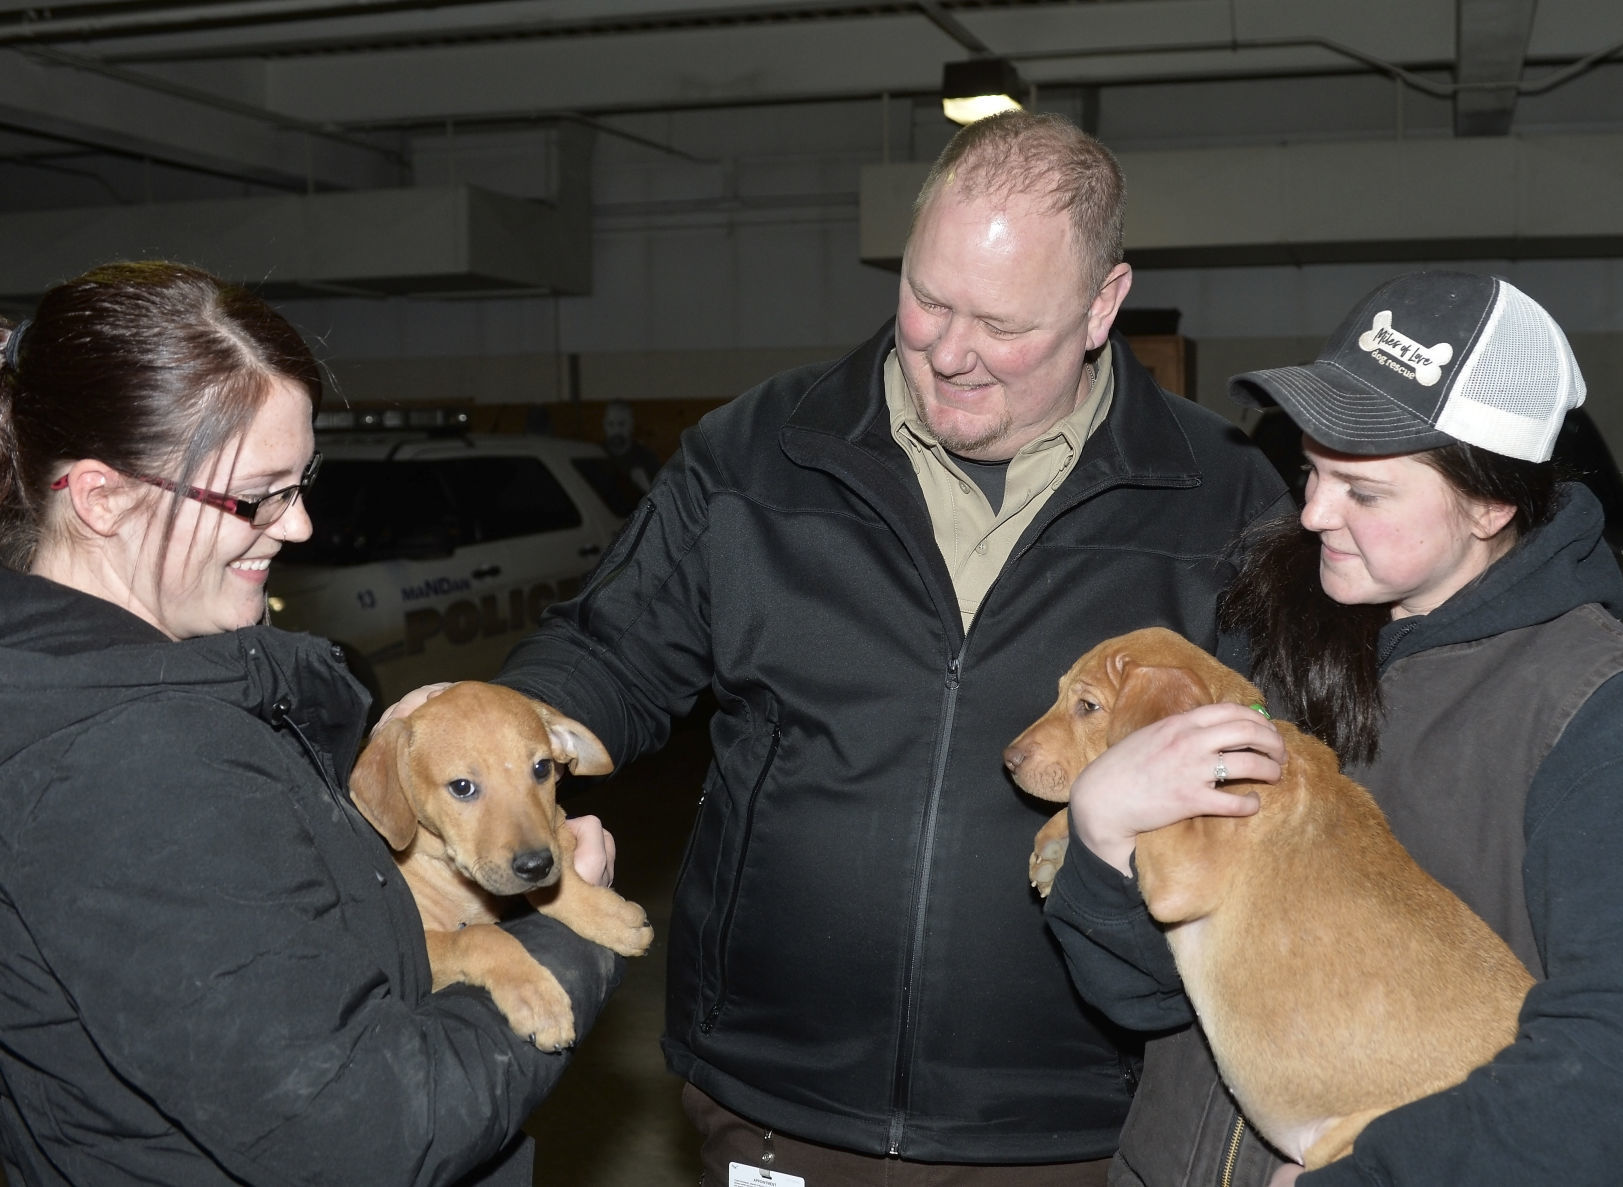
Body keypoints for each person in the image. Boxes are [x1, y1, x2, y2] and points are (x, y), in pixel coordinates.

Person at [473, 111, 1291, 1183]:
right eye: (925, 296)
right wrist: (476, 741)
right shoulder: (760, 450)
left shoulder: (1221, 497)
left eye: (1000, 323)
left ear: (1101, 305)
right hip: (780, 1094)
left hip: (1075, 1121)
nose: (948, 351)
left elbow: (1278, 791)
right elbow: (610, 653)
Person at [1043, 270, 1623, 1185]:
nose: (1310, 513)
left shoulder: (1602, 720)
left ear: (1491, 504)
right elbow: (1146, 996)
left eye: (1362, 490)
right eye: (1310, 470)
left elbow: (1618, 1081)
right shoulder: (1279, 649)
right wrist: (1101, 840)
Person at [0, 260, 626, 1186]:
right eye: (257, 495)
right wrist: (567, 940)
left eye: (302, 481)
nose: (297, 526)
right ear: (101, 500)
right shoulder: (127, 764)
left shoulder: (156, 681)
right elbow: (366, 1133)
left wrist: (377, 733)